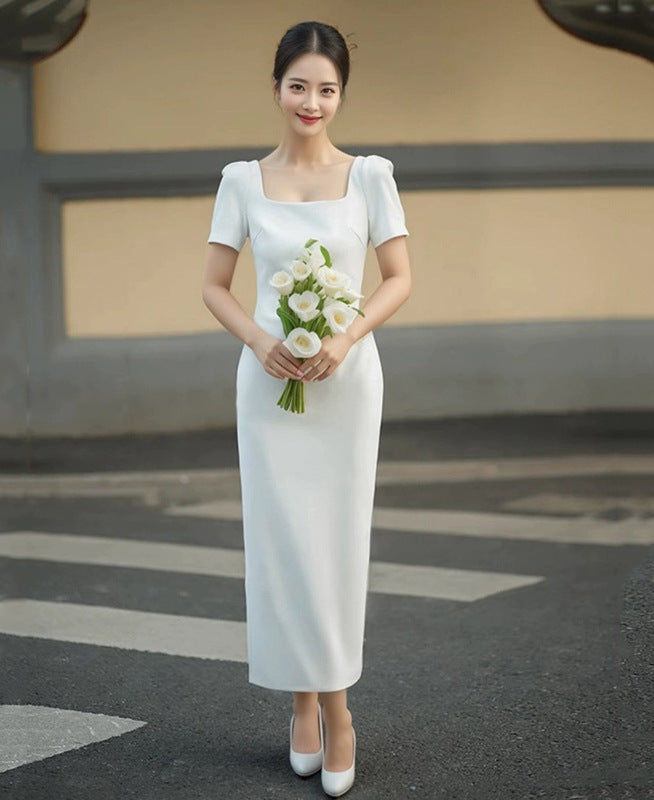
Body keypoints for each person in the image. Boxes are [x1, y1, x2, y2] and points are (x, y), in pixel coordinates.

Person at [202, 20, 412, 797]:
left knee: (333, 543)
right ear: (277, 88)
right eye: (299, 86)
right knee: (282, 543)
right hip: (270, 386)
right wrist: (262, 342)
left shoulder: (371, 178)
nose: (312, 101)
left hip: (346, 386)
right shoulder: (240, 181)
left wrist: (347, 336)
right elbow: (214, 286)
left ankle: (338, 711)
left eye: (327, 89)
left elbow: (397, 277)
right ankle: (304, 703)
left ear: (341, 94)